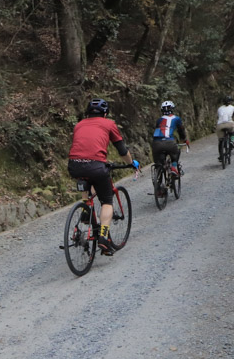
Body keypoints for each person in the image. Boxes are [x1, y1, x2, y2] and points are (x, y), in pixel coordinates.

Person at [68, 98, 138, 255]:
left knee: (86, 177)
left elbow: (83, 147)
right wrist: (131, 162)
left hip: (74, 165)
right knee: (107, 201)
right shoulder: (109, 124)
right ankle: (103, 238)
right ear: (105, 113)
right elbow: (121, 149)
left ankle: (86, 208)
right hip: (96, 165)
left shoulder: (79, 125)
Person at [152, 100, 187, 177]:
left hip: (156, 143)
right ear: (172, 109)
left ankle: (158, 178)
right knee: (177, 150)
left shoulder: (159, 120)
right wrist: (185, 140)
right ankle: (174, 167)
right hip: (170, 142)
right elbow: (181, 131)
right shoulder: (176, 118)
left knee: (159, 162)